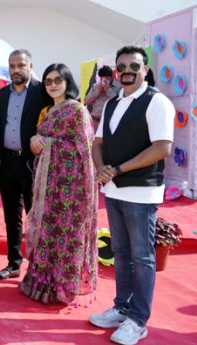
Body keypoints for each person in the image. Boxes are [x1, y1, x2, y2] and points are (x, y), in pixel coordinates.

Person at [89, 46, 174, 345]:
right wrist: (101, 169)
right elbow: (97, 142)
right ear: (115, 71)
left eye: (134, 66)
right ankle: (121, 307)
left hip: (141, 191)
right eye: (121, 66)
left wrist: (118, 169)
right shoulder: (112, 103)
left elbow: (162, 147)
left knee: (141, 256)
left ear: (145, 70)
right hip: (112, 188)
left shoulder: (157, 102)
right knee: (121, 253)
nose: (127, 71)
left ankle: (138, 320)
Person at [20, 63, 98, 304]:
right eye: (48, 81)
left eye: (57, 80)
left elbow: (83, 150)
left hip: (69, 190)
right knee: (45, 233)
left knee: (64, 236)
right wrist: (36, 141)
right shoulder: (49, 111)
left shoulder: (76, 110)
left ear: (67, 82)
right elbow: (44, 143)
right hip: (47, 188)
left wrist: (47, 142)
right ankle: (42, 284)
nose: (52, 85)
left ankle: (62, 288)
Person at [0, 49, 48, 280]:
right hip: (7, 162)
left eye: (21, 65)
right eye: (12, 66)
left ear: (30, 65)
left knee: (36, 215)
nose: (16, 70)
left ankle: (38, 267)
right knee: (11, 215)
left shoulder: (43, 92)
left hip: (32, 163)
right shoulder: (0, 95)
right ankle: (13, 263)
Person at [84, 65, 120, 131]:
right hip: (95, 121)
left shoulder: (118, 86)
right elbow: (86, 101)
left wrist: (108, 90)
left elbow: (118, 102)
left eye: (106, 78)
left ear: (111, 77)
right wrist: (98, 91)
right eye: (101, 78)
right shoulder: (95, 86)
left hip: (109, 121)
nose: (103, 80)